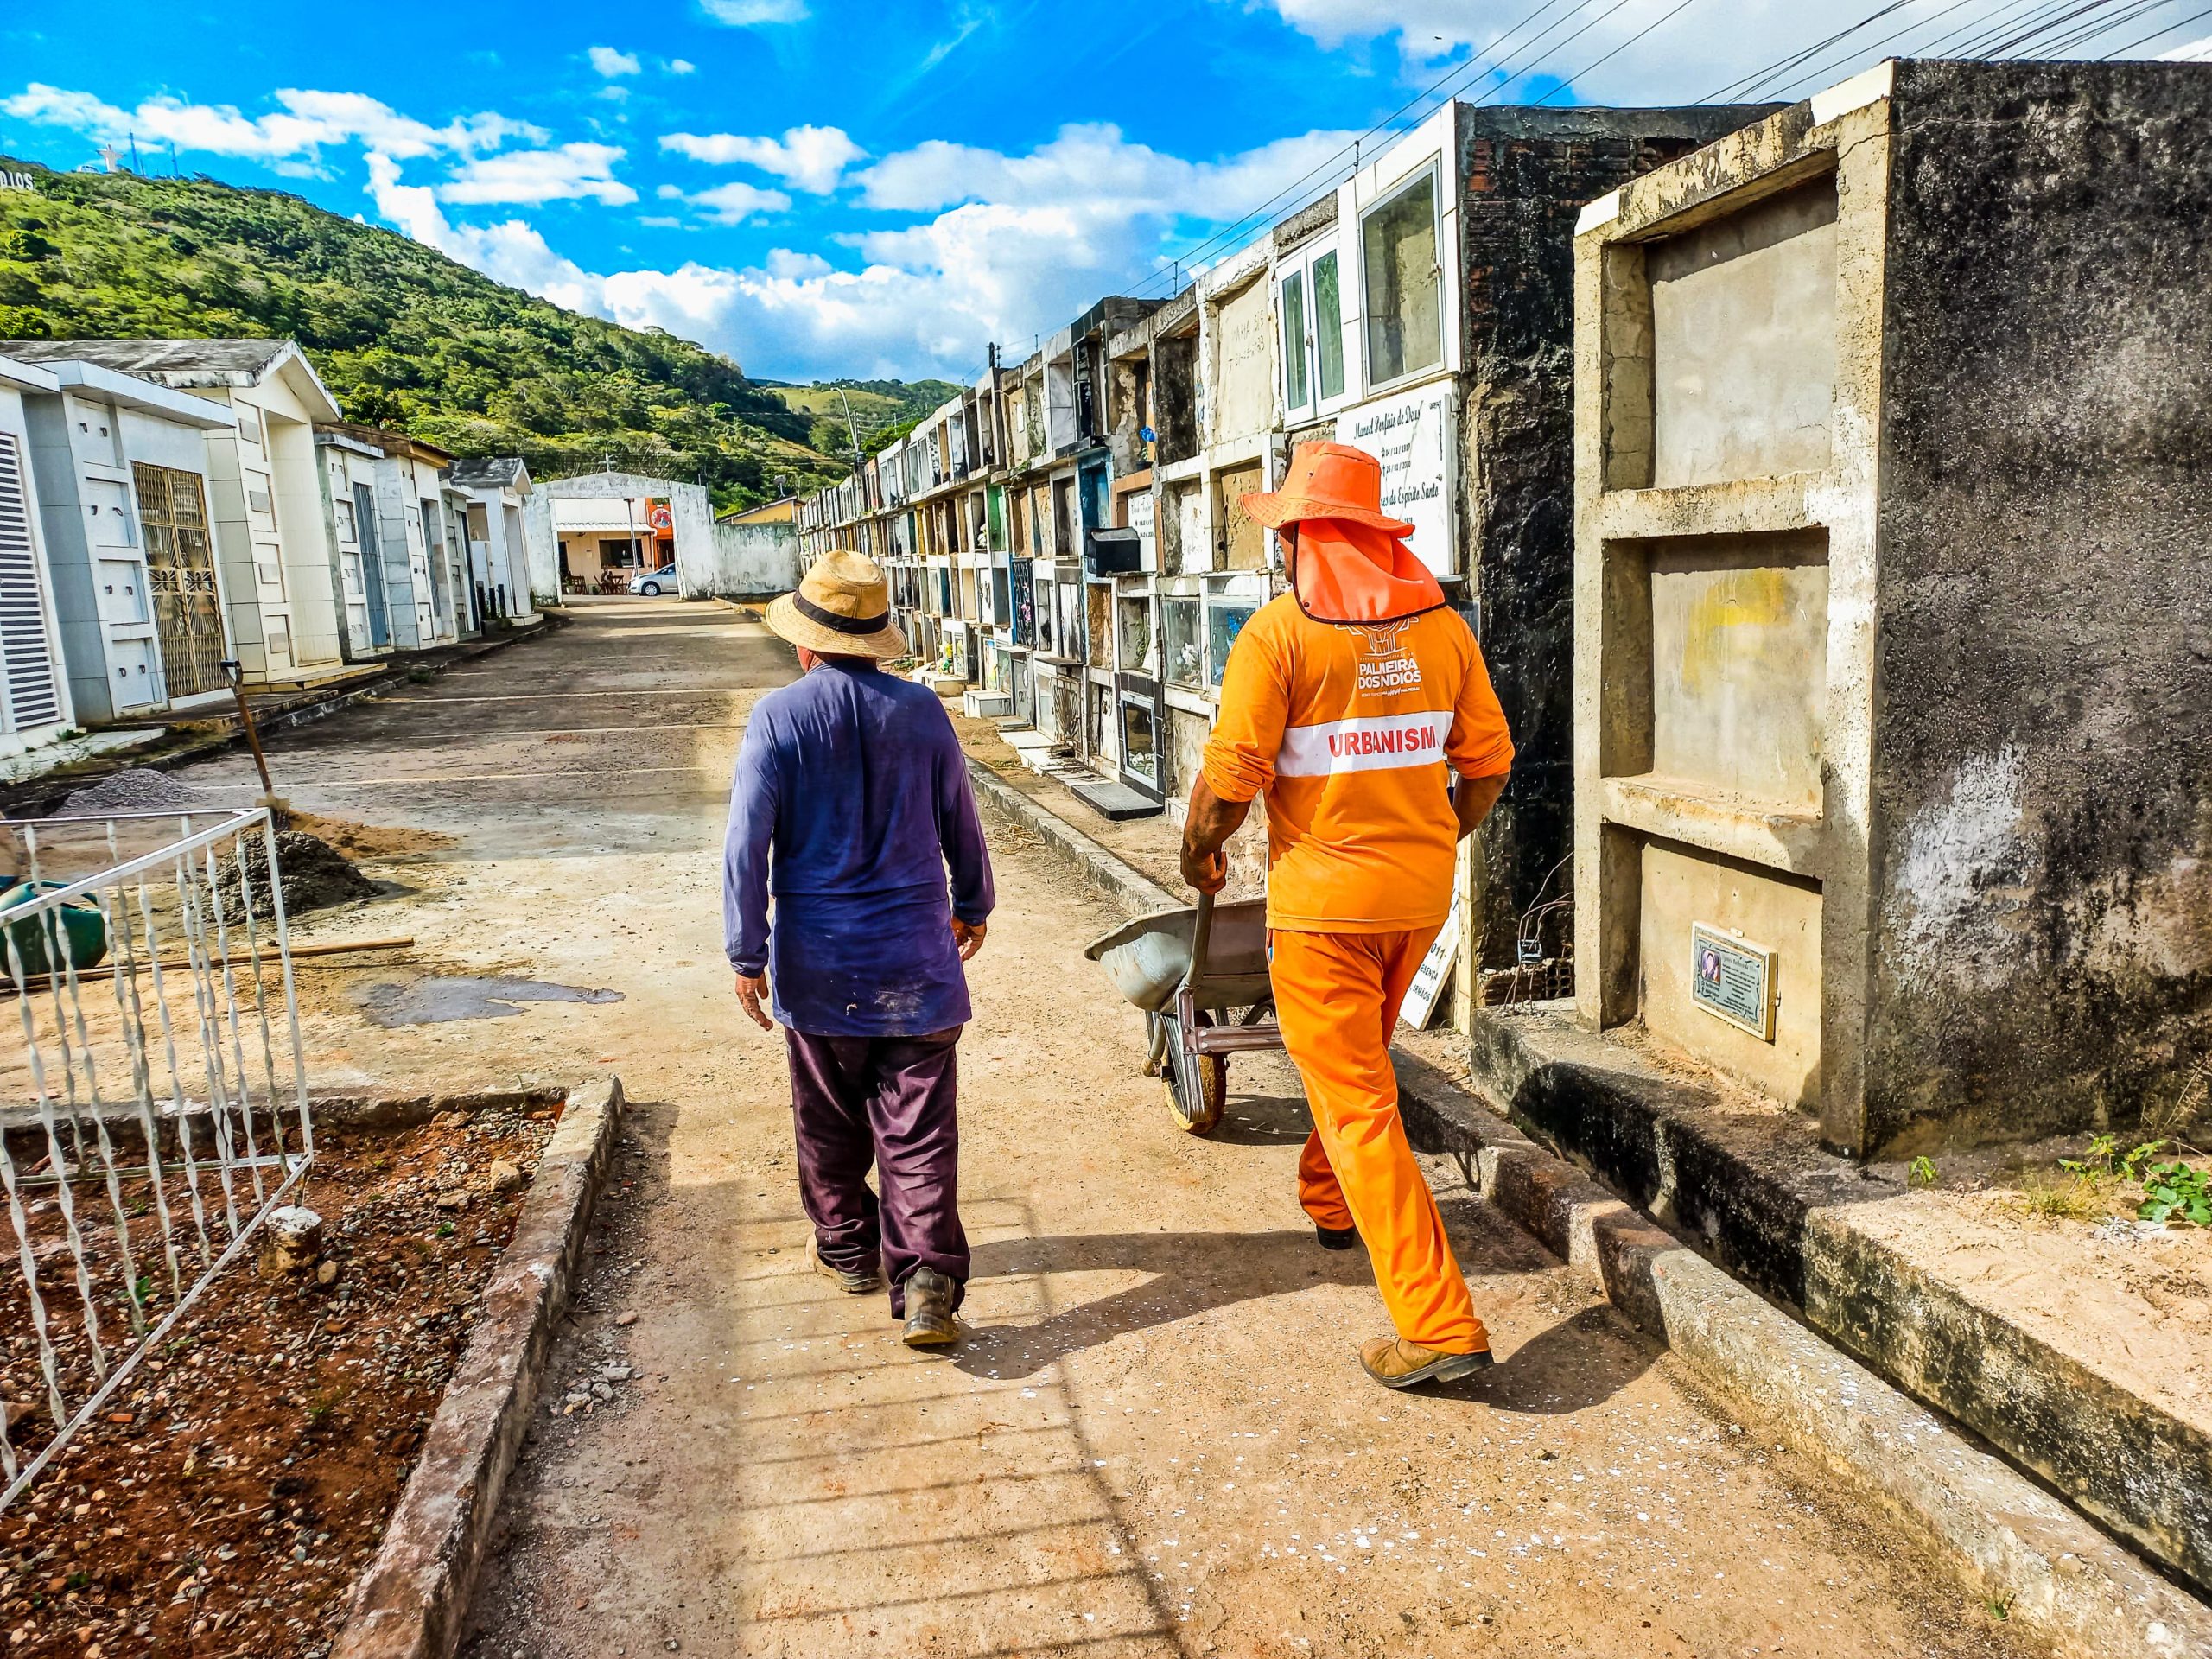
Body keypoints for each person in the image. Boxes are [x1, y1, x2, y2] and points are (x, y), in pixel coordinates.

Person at [1180, 443, 1514, 1390]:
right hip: (1415, 899)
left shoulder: (1277, 637)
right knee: (1358, 1064)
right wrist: (1433, 834)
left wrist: (1198, 850)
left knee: (1360, 1103)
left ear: (1298, 539)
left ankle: (1438, 1322)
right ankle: (1330, 1202)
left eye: (1284, 533)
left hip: (1322, 910)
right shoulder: (1444, 633)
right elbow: (1487, 764)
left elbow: (1230, 778)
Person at [723, 549, 995, 1349]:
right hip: (917, 963)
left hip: (820, 964)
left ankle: (846, 1250)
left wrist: (748, 952)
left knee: (827, 1118)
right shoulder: (922, 712)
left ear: (805, 646)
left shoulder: (778, 717)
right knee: (917, 1134)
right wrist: (973, 903)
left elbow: (747, 846)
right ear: (878, 640)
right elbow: (960, 819)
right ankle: (928, 1283)